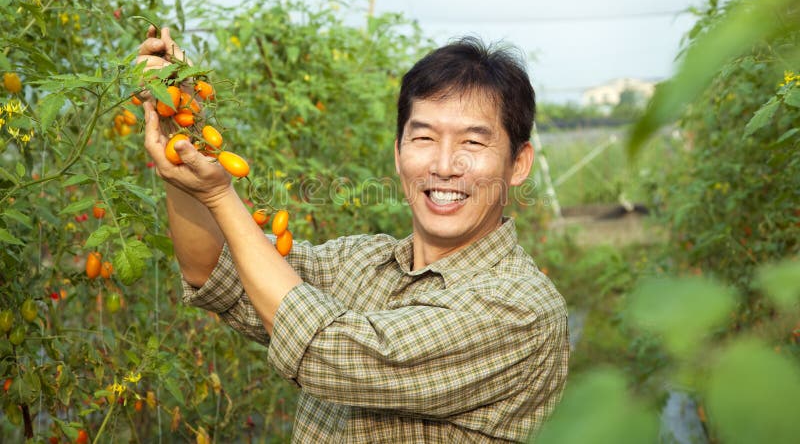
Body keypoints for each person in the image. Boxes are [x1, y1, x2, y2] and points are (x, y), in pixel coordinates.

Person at [137, 27, 569, 443]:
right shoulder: (362, 262)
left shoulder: (521, 307)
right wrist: (183, 135)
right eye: (423, 137)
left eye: (473, 144)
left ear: (518, 164)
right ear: (399, 154)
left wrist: (219, 194)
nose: (443, 164)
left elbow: (334, 353)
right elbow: (214, 268)